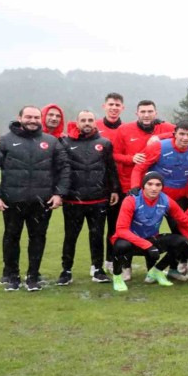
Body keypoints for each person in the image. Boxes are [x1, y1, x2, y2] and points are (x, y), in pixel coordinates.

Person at [0, 105, 70, 291]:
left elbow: (64, 169)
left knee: (38, 238)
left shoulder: (51, 142)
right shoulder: (4, 141)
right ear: (20, 118)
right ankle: (12, 276)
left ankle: (33, 276)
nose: (32, 120)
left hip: (42, 202)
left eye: (36, 117)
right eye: (28, 117)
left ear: (40, 119)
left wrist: (59, 193)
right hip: (12, 201)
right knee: (11, 238)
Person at [110, 172, 188, 292]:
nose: (154, 188)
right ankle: (117, 276)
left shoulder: (166, 200)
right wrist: (147, 245)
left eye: (158, 185)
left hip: (151, 239)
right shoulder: (131, 200)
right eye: (150, 184)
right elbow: (121, 230)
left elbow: (185, 221)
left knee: (182, 242)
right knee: (120, 245)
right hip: (132, 241)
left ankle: (157, 271)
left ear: (162, 187)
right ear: (143, 185)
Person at [131, 121, 188, 280]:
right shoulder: (158, 146)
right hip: (155, 197)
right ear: (174, 134)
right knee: (147, 233)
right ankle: (142, 269)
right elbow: (139, 168)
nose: (185, 138)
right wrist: (135, 187)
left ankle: (173, 269)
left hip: (178, 200)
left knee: (180, 235)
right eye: (181, 134)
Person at [113, 100, 175, 280]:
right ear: (136, 113)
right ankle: (126, 266)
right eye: (143, 112)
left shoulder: (164, 127)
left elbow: (185, 132)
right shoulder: (124, 130)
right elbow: (115, 154)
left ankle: (154, 267)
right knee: (128, 228)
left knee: (151, 226)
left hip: (156, 188)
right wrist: (131, 158)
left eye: (150, 111)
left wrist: (160, 137)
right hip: (131, 188)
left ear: (155, 113)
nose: (146, 115)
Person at [57, 111, 120, 285]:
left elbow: (111, 168)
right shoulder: (65, 142)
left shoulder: (104, 143)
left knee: (97, 236)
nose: (87, 123)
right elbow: (60, 169)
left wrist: (114, 189)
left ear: (95, 122)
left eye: (90, 120)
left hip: (98, 199)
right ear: (77, 123)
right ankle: (66, 270)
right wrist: (60, 192)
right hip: (73, 200)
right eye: (83, 120)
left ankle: (97, 269)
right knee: (70, 237)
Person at [95, 92, 126, 274]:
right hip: (96, 186)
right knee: (97, 229)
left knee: (115, 227)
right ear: (104, 106)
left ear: (122, 108)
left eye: (117, 105)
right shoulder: (94, 126)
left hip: (118, 186)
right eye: (111, 104)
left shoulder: (126, 129)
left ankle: (111, 260)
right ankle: (96, 264)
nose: (114, 108)